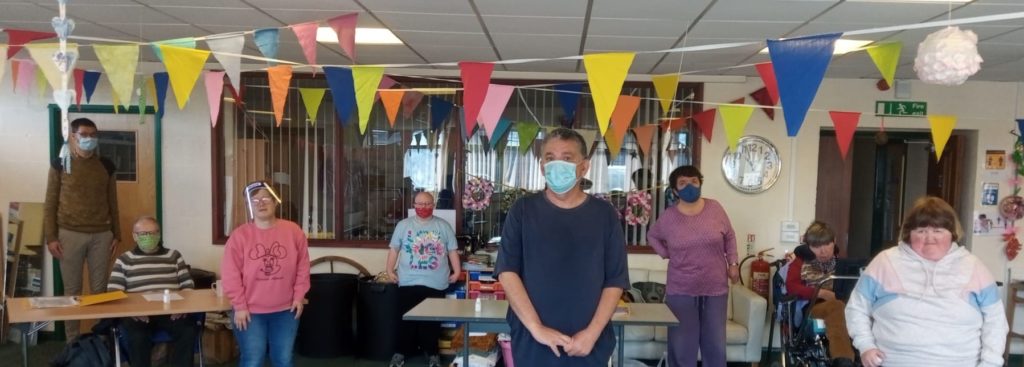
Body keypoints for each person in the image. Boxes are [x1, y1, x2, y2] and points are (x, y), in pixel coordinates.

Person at [496, 127, 630, 366]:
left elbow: (615, 280)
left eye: (567, 158)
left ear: (584, 166)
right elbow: (507, 272)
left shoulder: (604, 214)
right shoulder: (523, 210)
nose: (557, 165)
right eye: (550, 158)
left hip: (589, 344)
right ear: (541, 165)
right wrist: (537, 328)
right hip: (532, 341)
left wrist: (592, 333)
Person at [846, 196, 1008, 367]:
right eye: (921, 231)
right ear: (909, 234)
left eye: (938, 231)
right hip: (893, 362)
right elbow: (857, 307)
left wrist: (990, 362)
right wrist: (865, 345)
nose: (930, 238)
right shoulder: (885, 262)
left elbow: (995, 320)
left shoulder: (973, 266)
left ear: (952, 234)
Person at [646, 165, 738, 367]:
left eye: (694, 181)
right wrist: (666, 253)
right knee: (682, 346)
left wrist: (733, 263)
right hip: (681, 290)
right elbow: (652, 235)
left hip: (715, 287)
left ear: (700, 183)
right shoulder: (669, 217)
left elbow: (730, 236)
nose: (690, 186)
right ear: (675, 190)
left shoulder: (715, 208)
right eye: (683, 183)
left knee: (715, 345)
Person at [43, 117, 120, 342]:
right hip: (69, 234)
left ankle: (99, 341)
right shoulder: (59, 164)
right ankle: (73, 343)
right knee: (72, 291)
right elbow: (50, 203)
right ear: (72, 136)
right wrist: (51, 237)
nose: (89, 139)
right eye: (84, 134)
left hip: (102, 234)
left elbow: (113, 202)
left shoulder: (106, 166)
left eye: (93, 135)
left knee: (100, 290)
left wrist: (117, 233)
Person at [221, 181, 310, 367]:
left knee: (284, 360)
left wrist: (299, 296)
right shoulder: (239, 236)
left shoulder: (293, 231)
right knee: (253, 360)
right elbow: (230, 274)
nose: (260, 203)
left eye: (265, 198)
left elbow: (303, 266)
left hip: (287, 310)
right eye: (254, 200)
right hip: (250, 312)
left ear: (276, 201)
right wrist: (240, 306)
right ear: (249, 206)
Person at [107, 216, 197, 367]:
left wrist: (183, 308)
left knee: (188, 330)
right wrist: (131, 312)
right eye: (143, 234)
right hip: (137, 314)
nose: (149, 237)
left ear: (159, 234)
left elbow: (188, 286)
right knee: (138, 337)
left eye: (153, 232)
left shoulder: (173, 256)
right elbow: (114, 292)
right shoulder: (124, 260)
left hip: (170, 311)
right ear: (134, 236)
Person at [386, 191, 461, 367]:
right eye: (419, 204)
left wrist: (456, 271)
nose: (423, 208)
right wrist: (389, 270)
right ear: (414, 205)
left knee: (432, 322)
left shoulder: (443, 226)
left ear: (433, 205)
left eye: (427, 204)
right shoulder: (403, 225)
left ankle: (433, 354)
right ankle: (400, 353)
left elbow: (452, 251)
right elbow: (394, 249)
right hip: (408, 281)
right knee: (405, 320)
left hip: (435, 282)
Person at [784, 221, 854, 367]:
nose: (823, 251)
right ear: (808, 247)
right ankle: (843, 360)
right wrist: (820, 293)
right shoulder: (800, 262)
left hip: (843, 306)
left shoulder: (842, 263)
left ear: (834, 242)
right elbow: (791, 287)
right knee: (835, 307)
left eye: (827, 244)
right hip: (813, 308)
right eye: (816, 246)